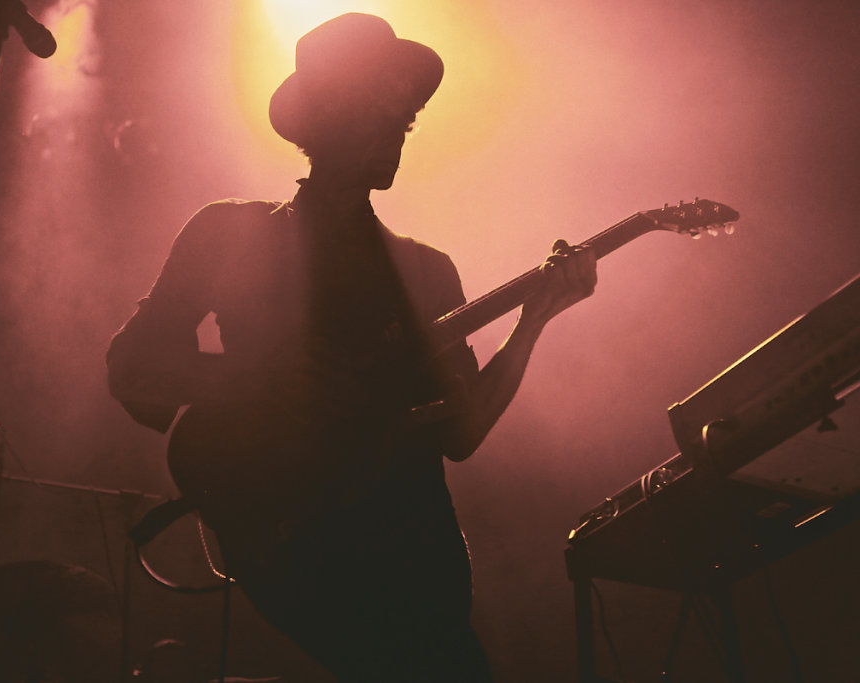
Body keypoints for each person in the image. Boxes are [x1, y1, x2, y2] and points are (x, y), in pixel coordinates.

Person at [107, 13, 596, 683]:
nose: (400, 120)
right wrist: (259, 379)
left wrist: (534, 318)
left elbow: (462, 430)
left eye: (406, 111)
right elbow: (132, 367)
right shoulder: (230, 232)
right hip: (296, 544)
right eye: (379, 102)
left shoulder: (428, 270)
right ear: (323, 113)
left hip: (416, 554)